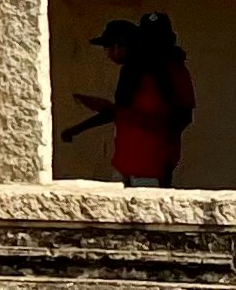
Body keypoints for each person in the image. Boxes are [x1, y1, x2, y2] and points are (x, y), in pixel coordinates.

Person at [63, 14, 195, 185]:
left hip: (150, 164)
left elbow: (176, 117)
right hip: (127, 160)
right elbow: (120, 111)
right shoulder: (135, 70)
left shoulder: (167, 71)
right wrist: (78, 128)